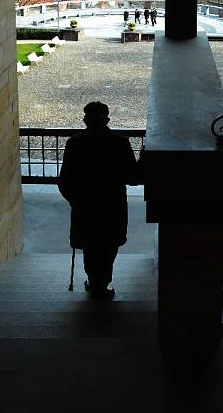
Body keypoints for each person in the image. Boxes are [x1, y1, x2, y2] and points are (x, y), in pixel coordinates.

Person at [58, 101, 141, 300]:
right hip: (113, 205)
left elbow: (64, 181)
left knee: (90, 245)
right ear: (107, 120)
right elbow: (133, 178)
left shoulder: (74, 143)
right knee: (109, 245)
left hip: (85, 205)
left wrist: (76, 201)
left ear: (85, 120)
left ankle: (94, 281)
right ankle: (102, 282)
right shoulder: (120, 143)